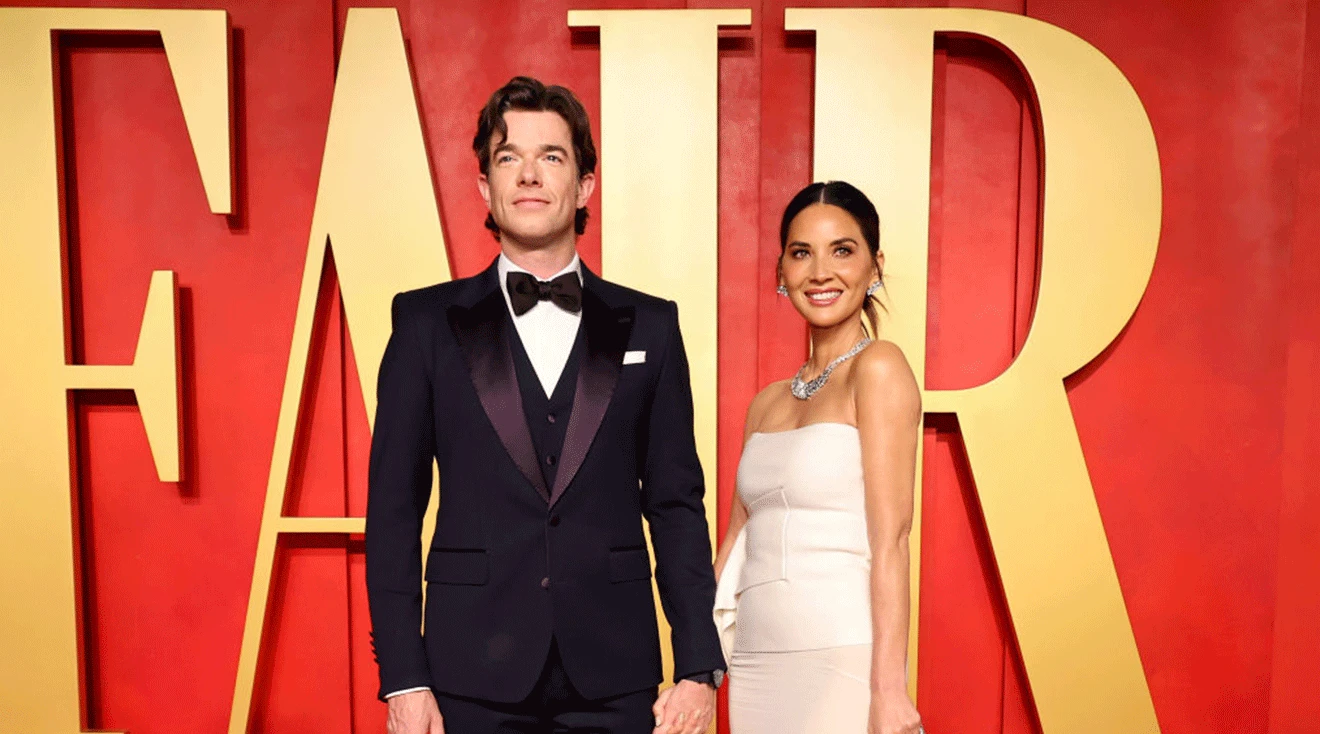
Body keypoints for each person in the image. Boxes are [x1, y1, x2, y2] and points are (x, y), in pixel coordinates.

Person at [366, 76, 725, 734]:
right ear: (485, 186)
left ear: (586, 184)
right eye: (509, 158)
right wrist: (403, 677)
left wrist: (699, 667)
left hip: (617, 678)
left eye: (552, 157)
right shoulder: (424, 324)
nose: (529, 175)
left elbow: (675, 505)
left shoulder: (651, 326)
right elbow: (392, 511)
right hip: (466, 678)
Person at [713, 181, 925, 734]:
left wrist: (889, 690)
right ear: (781, 271)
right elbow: (734, 547)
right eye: (801, 253)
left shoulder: (878, 369)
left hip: (840, 659)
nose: (820, 271)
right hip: (755, 664)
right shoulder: (765, 403)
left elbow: (892, 540)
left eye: (842, 250)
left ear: (874, 265)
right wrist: (697, 670)